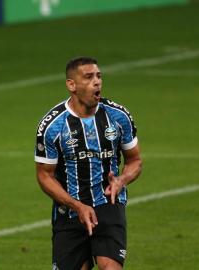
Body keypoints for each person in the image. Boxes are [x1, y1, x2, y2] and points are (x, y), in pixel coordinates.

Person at [34, 56, 142, 270]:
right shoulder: (52, 126)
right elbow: (44, 175)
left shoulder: (118, 116)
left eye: (99, 76)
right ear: (71, 85)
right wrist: (77, 205)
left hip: (108, 205)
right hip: (70, 212)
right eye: (89, 77)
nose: (97, 82)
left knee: (110, 266)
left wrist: (121, 180)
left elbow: (135, 160)